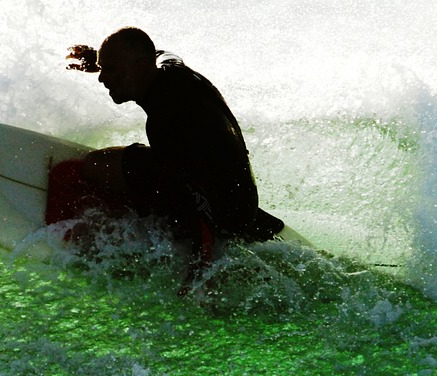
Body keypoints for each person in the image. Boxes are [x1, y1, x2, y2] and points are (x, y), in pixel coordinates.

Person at [53, 27, 282, 282]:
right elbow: (159, 52)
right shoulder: (169, 67)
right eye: (102, 68)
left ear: (140, 67)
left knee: (98, 165)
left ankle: (143, 216)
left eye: (111, 69)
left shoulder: (166, 121)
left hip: (222, 211)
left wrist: (199, 269)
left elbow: (197, 191)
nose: (101, 78)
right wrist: (99, 59)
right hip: (242, 201)